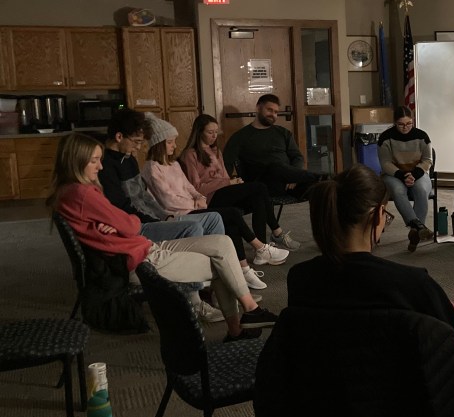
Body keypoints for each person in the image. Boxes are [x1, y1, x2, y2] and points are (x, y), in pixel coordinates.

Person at [288, 164, 454, 396]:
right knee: (451, 311)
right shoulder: (411, 283)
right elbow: (453, 332)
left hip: (323, 397)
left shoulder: (299, 277)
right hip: (401, 399)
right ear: (377, 215)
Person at [48, 132, 277, 342]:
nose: (100, 166)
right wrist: (123, 223)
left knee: (223, 242)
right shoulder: (83, 194)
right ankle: (239, 327)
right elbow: (131, 225)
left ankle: (250, 311)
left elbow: (124, 224)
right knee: (221, 263)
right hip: (140, 260)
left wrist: (118, 224)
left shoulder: (68, 192)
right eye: (94, 161)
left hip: (144, 247)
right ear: (76, 161)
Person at [140, 113, 289, 291]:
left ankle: (244, 268)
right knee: (233, 211)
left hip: (197, 205)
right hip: (179, 213)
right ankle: (259, 249)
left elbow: (190, 188)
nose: (175, 145)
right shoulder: (152, 168)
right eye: (170, 142)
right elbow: (168, 199)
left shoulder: (174, 165)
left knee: (238, 212)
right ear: (159, 144)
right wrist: (196, 202)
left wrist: (198, 198)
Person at [179, 113, 301, 253]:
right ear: (199, 132)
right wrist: (228, 182)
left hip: (224, 192)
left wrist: (234, 183)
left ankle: (262, 248)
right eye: (210, 132)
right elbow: (197, 188)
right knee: (259, 187)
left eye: (216, 132)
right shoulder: (190, 154)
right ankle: (276, 233)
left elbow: (225, 177)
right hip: (210, 198)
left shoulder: (216, 151)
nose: (214, 136)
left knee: (258, 198)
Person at [98, 108, 224, 243]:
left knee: (214, 218)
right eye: (136, 141)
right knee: (193, 227)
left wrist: (164, 216)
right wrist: (157, 220)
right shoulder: (105, 165)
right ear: (119, 137)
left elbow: (145, 196)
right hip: (139, 223)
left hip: (155, 217)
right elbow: (121, 206)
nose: (139, 147)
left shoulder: (129, 159)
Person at [223, 93, 324, 200]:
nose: (273, 115)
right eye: (269, 110)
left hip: (288, 181)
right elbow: (226, 163)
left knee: (319, 188)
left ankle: (323, 179)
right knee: (276, 167)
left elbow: (297, 157)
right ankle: (319, 176)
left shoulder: (283, 133)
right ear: (258, 108)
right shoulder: (240, 137)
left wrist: (294, 177)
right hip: (262, 185)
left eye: (276, 112)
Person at [377, 107, 433, 253]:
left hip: (418, 173)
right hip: (393, 174)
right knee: (398, 190)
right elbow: (385, 163)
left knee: (421, 190)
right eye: (401, 124)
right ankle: (418, 227)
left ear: (412, 121)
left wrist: (414, 174)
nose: (405, 127)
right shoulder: (385, 138)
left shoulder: (422, 136)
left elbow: (427, 160)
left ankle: (415, 232)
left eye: (409, 123)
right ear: (394, 123)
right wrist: (403, 175)